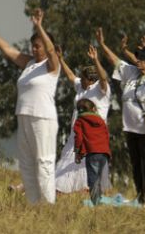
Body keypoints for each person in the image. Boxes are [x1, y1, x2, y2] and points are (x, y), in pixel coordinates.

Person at [0, 8, 60, 204]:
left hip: (43, 118)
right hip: (23, 116)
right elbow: (9, 51)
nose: (34, 49)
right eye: (32, 46)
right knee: (26, 164)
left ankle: (49, 205)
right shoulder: (29, 64)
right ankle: (35, 205)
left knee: (44, 162)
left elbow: (51, 50)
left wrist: (40, 26)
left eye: (38, 46)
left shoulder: (52, 65)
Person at [97, 27, 145, 204]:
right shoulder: (132, 73)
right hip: (132, 129)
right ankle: (142, 198)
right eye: (138, 57)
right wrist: (102, 45)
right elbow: (115, 61)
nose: (139, 61)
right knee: (138, 167)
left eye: (143, 59)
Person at [54, 44, 112, 194]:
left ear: (90, 79)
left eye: (84, 78)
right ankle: (63, 188)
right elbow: (71, 76)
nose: (81, 80)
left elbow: (104, 78)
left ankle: (85, 188)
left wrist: (96, 60)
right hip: (76, 132)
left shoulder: (100, 89)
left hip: (92, 135)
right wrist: (60, 59)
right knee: (69, 159)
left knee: (86, 163)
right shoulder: (81, 87)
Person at [72, 98, 111, 206]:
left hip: (92, 153)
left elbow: (78, 138)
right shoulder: (101, 120)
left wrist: (77, 152)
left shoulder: (80, 121)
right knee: (98, 178)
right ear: (93, 109)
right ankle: (99, 200)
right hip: (104, 153)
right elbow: (107, 135)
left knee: (93, 180)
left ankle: (96, 203)